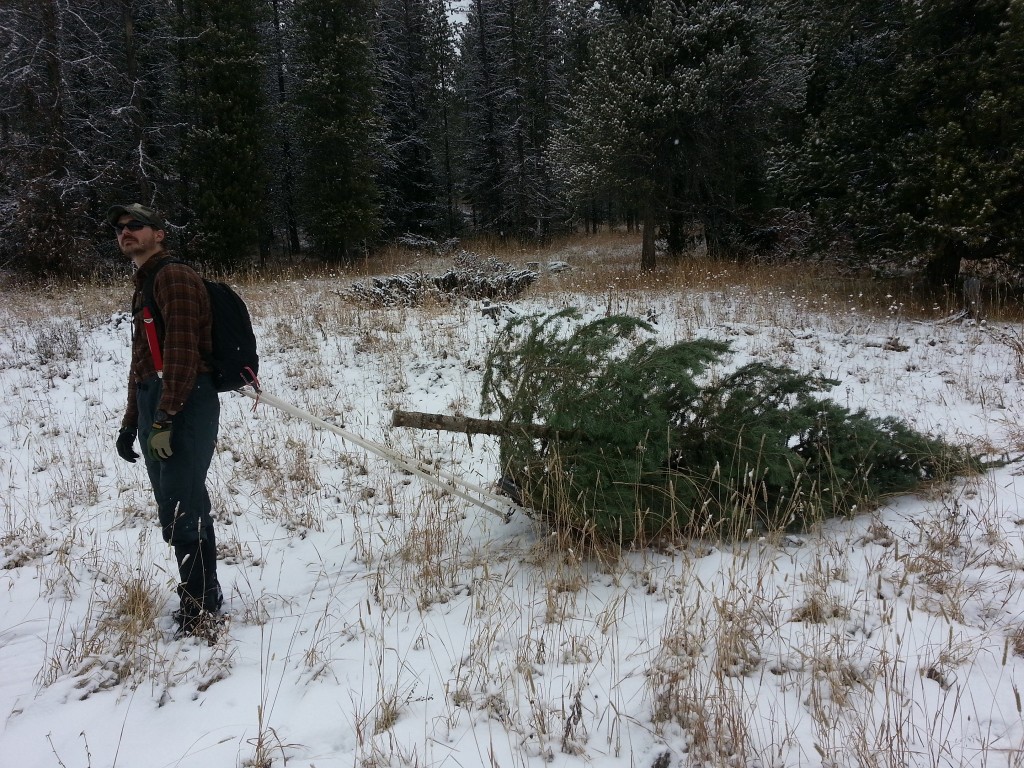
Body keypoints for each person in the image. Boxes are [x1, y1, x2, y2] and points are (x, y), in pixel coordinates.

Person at [109, 202, 223, 638]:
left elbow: (180, 353)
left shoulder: (172, 276)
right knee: (183, 500)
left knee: (180, 504)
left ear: (159, 233)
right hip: (159, 399)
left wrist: (166, 417)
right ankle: (204, 594)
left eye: (135, 225)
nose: (126, 232)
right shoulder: (146, 282)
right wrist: (130, 422)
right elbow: (145, 361)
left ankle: (198, 608)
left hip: (184, 399)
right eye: (120, 228)